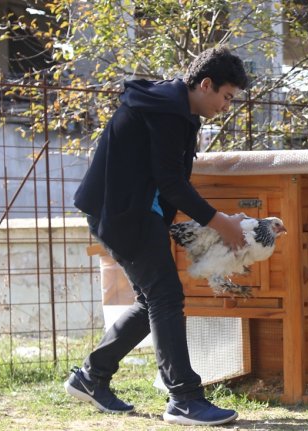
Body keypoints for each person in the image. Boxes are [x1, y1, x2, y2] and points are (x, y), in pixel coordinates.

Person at [65, 46, 249, 426]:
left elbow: (170, 181)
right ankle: (183, 397)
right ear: (206, 84)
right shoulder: (167, 110)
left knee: (155, 297)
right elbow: (171, 182)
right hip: (122, 214)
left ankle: (92, 375)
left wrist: (210, 222)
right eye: (226, 97)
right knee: (165, 296)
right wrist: (221, 224)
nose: (227, 106)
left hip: (134, 211)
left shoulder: (177, 110)